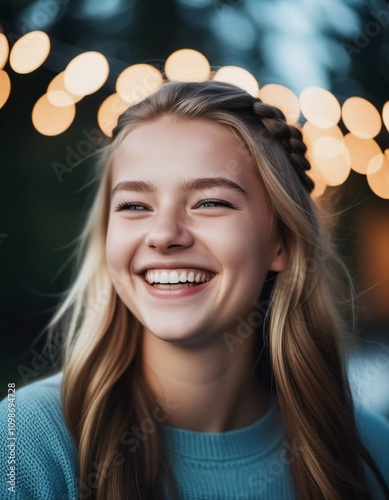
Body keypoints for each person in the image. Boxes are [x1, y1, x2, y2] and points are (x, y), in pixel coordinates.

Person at [1, 80, 389, 500]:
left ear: (281, 242)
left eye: (210, 202)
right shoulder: (24, 441)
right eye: (134, 206)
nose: (164, 235)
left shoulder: (370, 447)